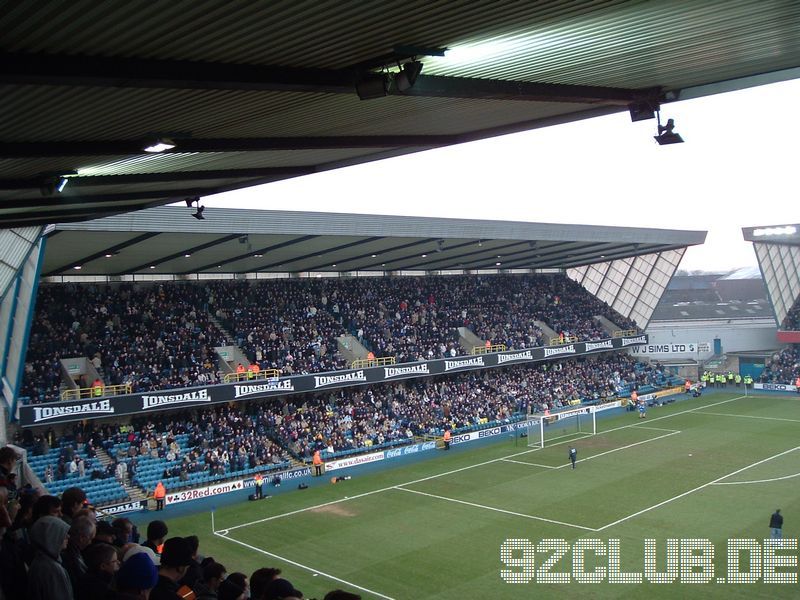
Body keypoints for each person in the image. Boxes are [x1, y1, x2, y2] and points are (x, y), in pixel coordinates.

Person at [28, 515, 73, 600]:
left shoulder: (40, 562)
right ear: (52, 536)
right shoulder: (51, 570)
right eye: (62, 533)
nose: (68, 536)